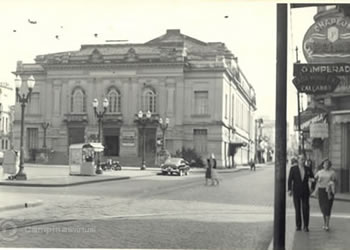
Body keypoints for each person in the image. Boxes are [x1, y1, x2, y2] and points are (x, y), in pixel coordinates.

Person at [288, 154, 315, 232]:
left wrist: (312, 188)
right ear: (298, 160)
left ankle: (306, 226)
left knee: (305, 208)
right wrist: (289, 190)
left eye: (303, 159)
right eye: (301, 159)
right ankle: (298, 225)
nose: (302, 161)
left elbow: (313, 178)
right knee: (297, 209)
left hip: (305, 191)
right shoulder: (293, 169)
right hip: (296, 191)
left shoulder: (308, 169)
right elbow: (290, 180)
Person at [314, 159, 336, 231]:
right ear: (322, 164)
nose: (326, 165)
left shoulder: (332, 173)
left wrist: (332, 183)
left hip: (329, 191)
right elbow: (314, 179)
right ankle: (324, 223)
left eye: (327, 164)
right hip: (321, 191)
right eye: (325, 164)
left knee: (328, 208)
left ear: (329, 165)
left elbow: (336, 181)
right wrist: (317, 180)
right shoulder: (319, 172)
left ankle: (327, 224)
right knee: (322, 208)